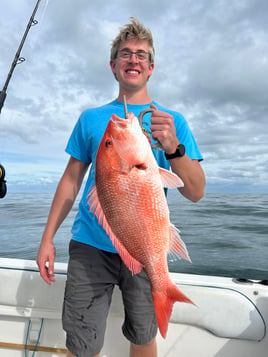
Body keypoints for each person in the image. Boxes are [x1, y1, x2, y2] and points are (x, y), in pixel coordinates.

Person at [36, 17, 206, 357]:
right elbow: (71, 181)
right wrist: (46, 238)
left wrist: (172, 147)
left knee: (144, 336)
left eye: (141, 55)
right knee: (83, 344)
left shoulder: (172, 122)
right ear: (113, 65)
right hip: (89, 246)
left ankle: (163, 291)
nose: (133, 60)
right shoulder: (91, 119)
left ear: (151, 67)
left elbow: (195, 191)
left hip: (146, 247)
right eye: (125, 54)